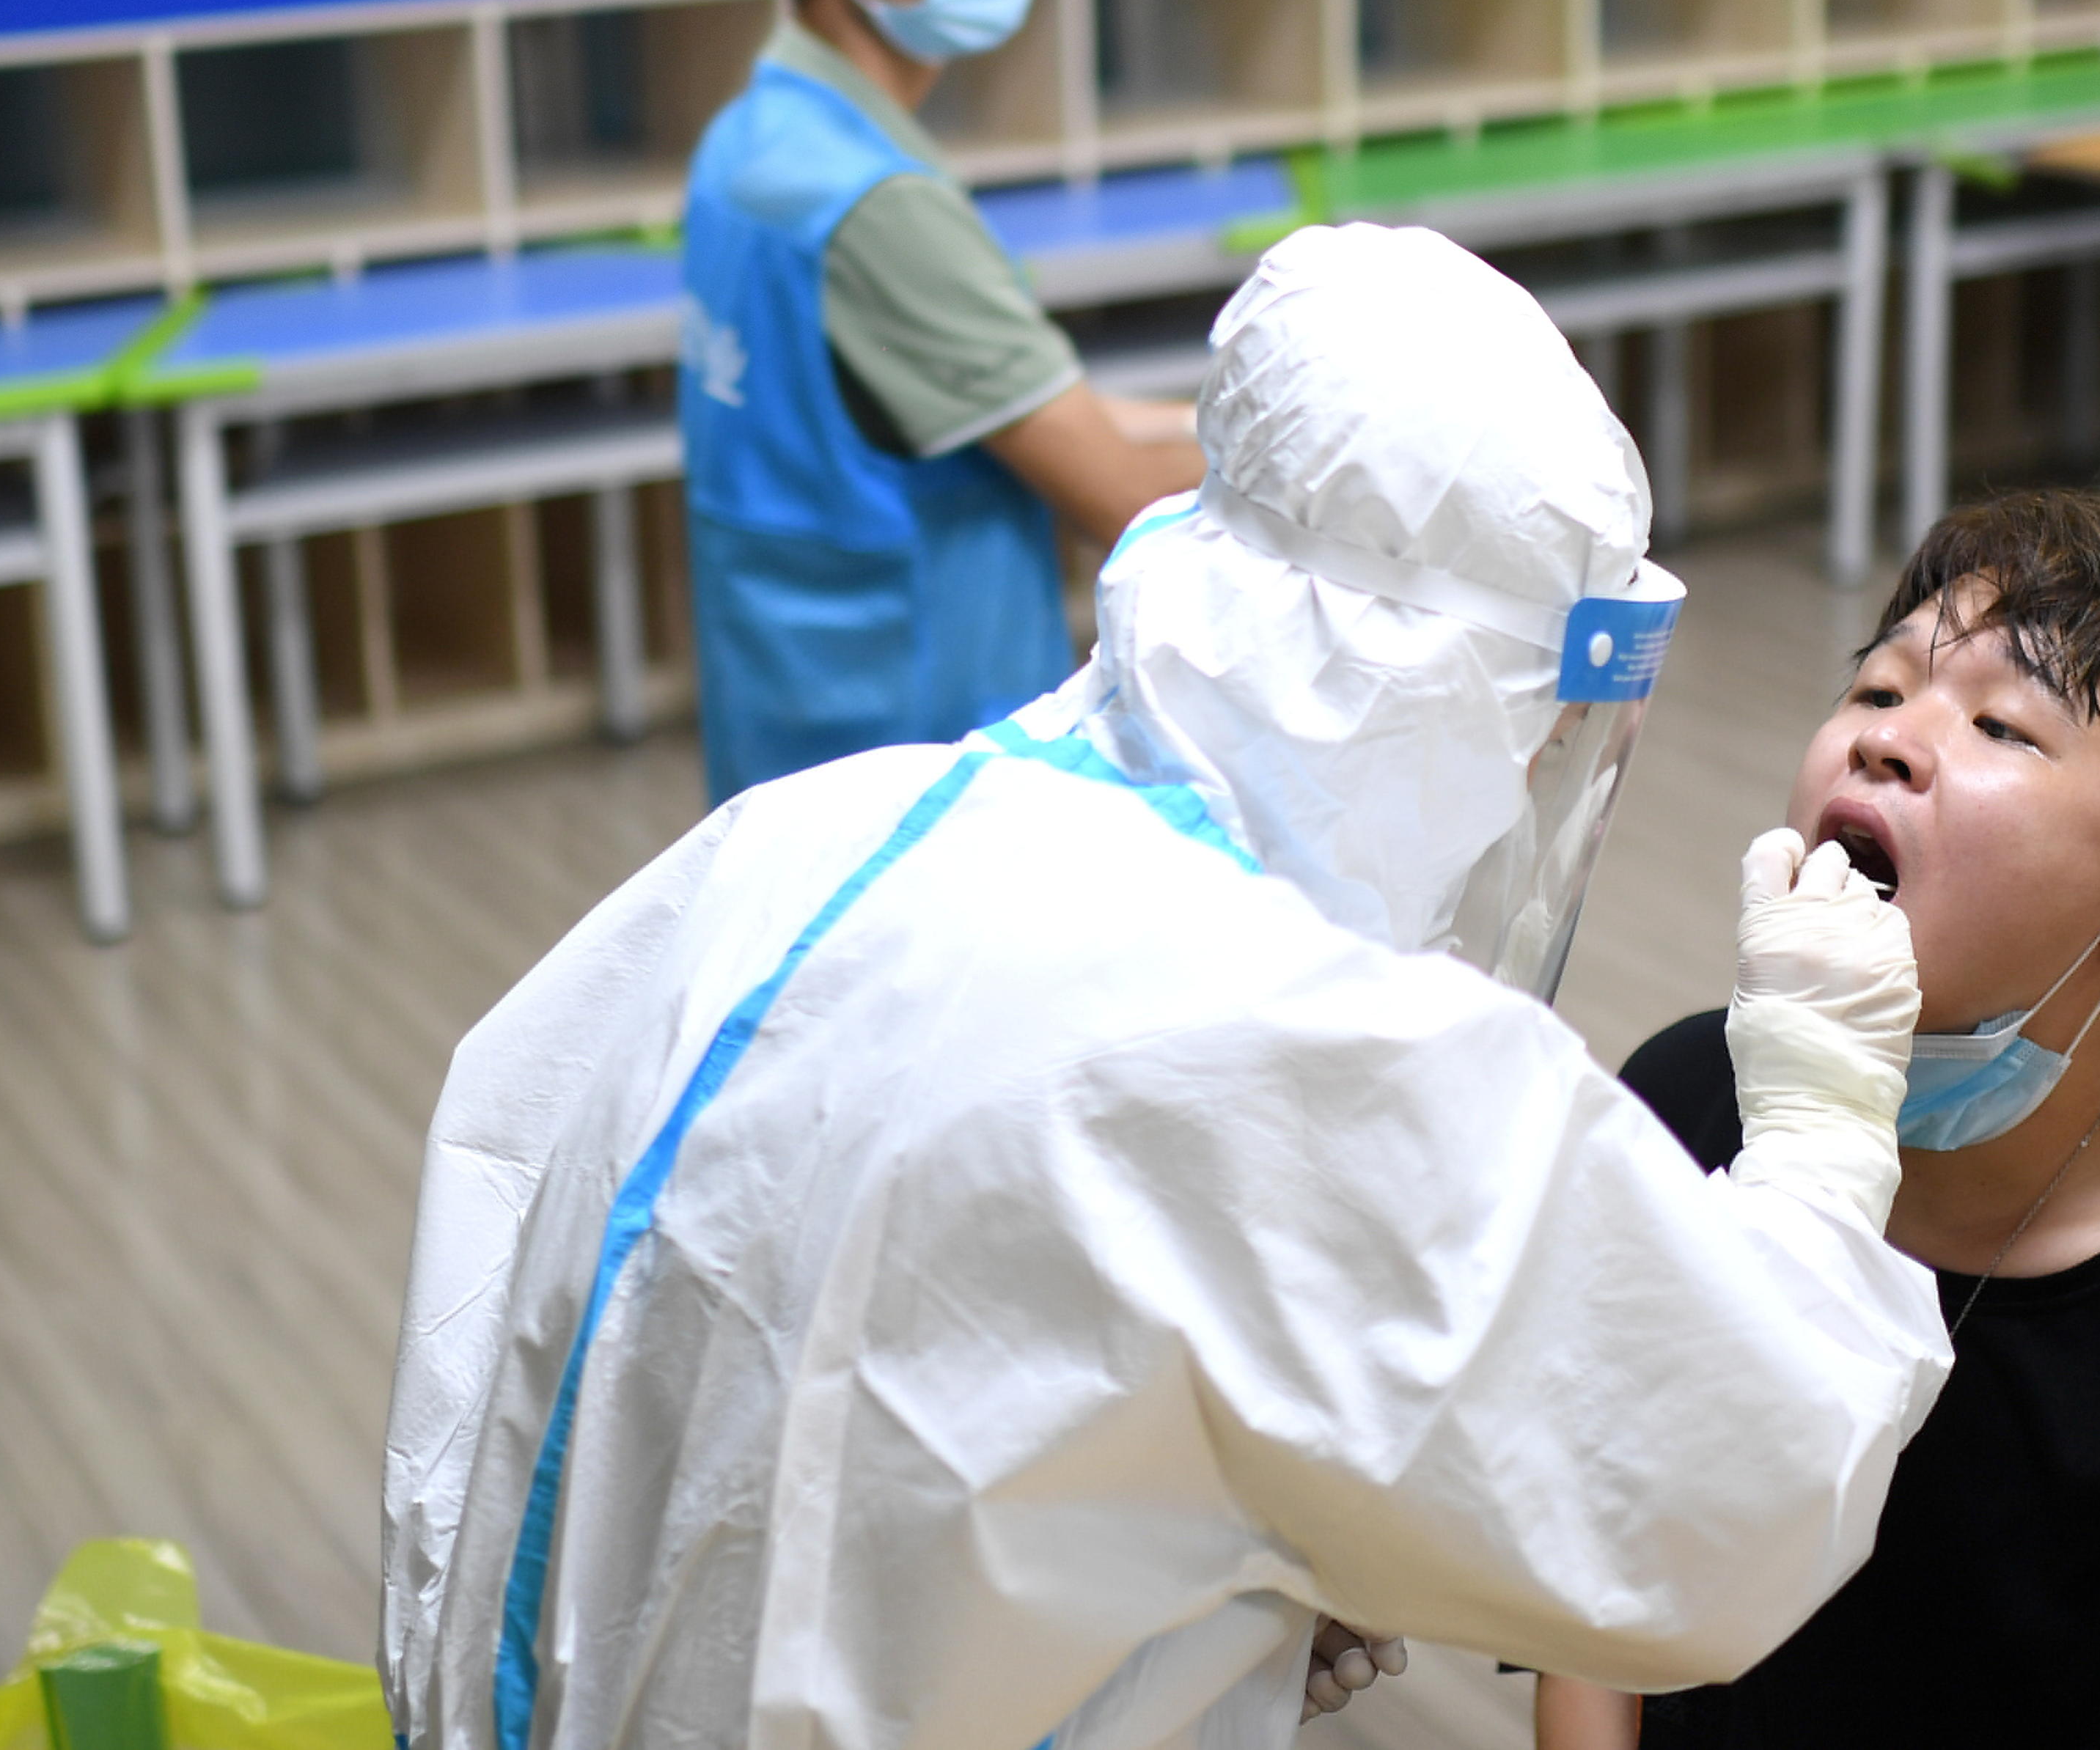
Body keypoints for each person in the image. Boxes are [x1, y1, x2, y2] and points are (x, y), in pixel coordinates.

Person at [383, 224, 1953, 1750]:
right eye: (1542, 710)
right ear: (1457, 687)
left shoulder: (802, 839)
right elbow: (1721, 1492)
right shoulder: (1303, 1044)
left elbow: (598, 1397)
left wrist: (1206, 1583)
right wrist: (1820, 1116)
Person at [1538, 490, 2100, 1750]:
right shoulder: (1693, 1096)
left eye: (2004, 725)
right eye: (1881, 688)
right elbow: (1595, 1604)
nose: (1890, 741)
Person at [681, 0, 1200, 804]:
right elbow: (1116, 489)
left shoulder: (758, 138)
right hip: (917, 759)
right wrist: (1370, 455)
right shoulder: (873, 200)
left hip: (794, 740)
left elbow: (1025, 409)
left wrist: (1220, 425)